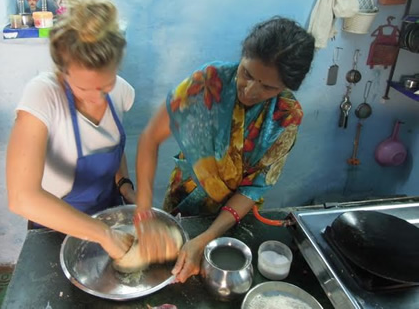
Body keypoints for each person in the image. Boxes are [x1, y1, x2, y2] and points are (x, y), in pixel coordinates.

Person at [134, 17, 315, 282]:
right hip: (185, 200)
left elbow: (253, 187)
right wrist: (143, 210)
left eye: (268, 87)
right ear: (242, 57)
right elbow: (150, 138)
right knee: (170, 270)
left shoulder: (286, 116)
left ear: (286, 86)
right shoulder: (209, 82)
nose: (250, 90)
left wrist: (206, 238)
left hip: (235, 216)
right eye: (247, 74)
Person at [6, 0, 136, 260]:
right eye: (83, 88)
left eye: (105, 85)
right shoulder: (42, 97)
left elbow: (110, 145)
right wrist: (102, 234)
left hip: (109, 213)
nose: (96, 98)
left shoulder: (121, 92)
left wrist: (125, 185)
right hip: (55, 229)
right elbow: (21, 196)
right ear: (62, 71)